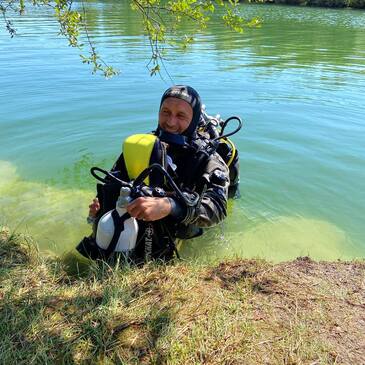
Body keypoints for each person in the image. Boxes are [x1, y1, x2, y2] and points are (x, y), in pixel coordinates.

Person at [84, 85, 231, 261]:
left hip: (181, 224)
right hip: (137, 224)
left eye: (181, 115)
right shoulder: (141, 145)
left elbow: (219, 207)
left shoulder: (207, 158)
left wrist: (170, 206)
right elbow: (112, 181)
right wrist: (97, 212)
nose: (170, 122)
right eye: (166, 112)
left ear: (193, 120)